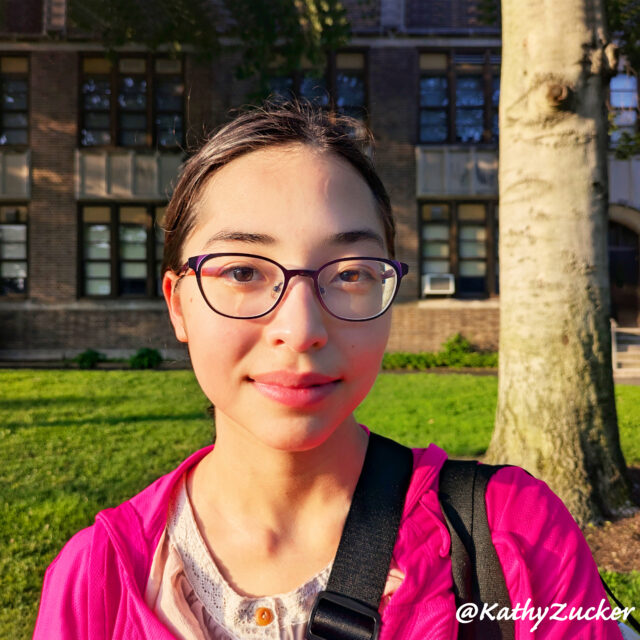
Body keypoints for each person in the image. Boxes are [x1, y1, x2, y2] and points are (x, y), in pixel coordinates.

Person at [33, 100, 623, 640]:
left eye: (348, 273)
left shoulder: (512, 534)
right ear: (178, 302)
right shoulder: (97, 578)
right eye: (242, 272)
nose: (302, 328)